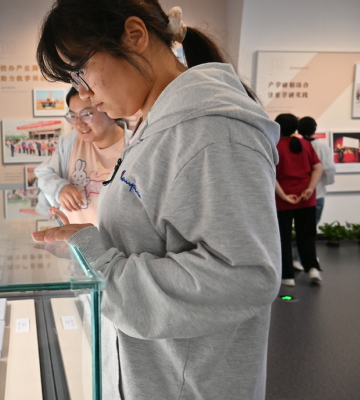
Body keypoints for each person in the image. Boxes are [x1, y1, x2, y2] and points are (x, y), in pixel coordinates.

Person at [31, 2, 281, 399]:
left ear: (134, 36)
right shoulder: (157, 125)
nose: (84, 93)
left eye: (82, 71)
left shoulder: (212, 131)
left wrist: (102, 264)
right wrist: (88, 247)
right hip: (155, 373)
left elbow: (244, 276)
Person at [35, 87, 131, 225]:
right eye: (73, 116)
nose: (79, 124)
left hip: (115, 238)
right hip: (74, 236)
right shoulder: (72, 142)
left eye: (86, 114)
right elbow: (44, 173)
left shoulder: (133, 146)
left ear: (110, 111)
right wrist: (59, 188)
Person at [274, 113, 323, 287]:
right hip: (306, 199)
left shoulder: (274, 146)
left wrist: (284, 196)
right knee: (307, 236)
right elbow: (318, 167)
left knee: (283, 238)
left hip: (282, 202)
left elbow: (271, 176)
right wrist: (309, 189)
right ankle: (313, 268)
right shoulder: (305, 144)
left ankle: (287, 276)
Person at [292, 116, 336, 270]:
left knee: (298, 229)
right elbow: (328, 169)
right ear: (315, 129)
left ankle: (299, 258)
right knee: (308, 231)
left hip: (294, 195)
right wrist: (326, 182)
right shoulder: (322, 148)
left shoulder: (294, 145)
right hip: (316, 195)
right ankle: (302, 258)